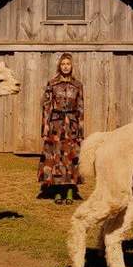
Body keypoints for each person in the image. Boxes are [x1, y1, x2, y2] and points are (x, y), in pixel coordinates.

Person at [37, 53, 84, 204]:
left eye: (68, 64)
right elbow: (46, 106)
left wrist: (81, 129)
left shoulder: (78, 85)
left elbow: (81, 108)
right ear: (59, 66)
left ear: (71, 66)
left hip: (72, 125)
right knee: (56, 157)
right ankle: (57, 192)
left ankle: (70, 192)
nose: (65, 66)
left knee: (70, 158)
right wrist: (44, 126)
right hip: (55, 124)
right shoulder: (52, 84)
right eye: (63, 64)